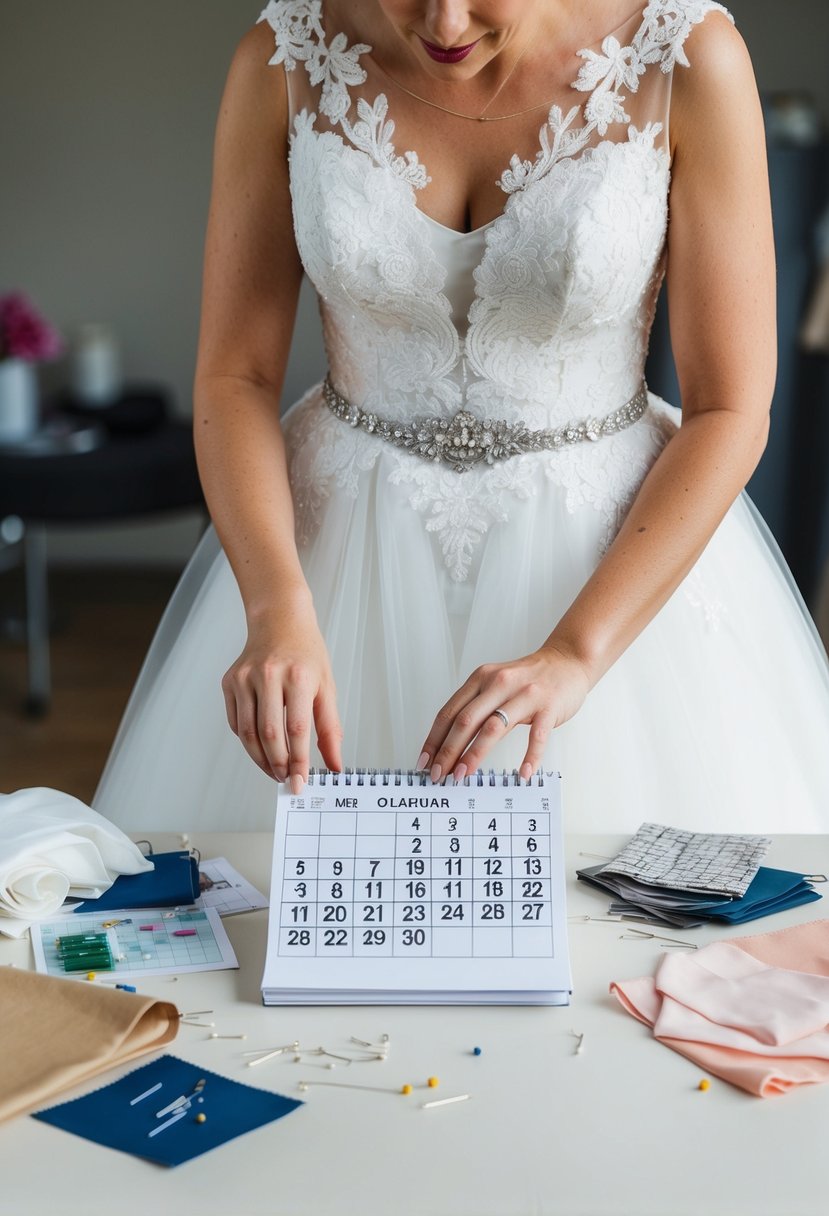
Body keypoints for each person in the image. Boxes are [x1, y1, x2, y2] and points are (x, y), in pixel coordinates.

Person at [94, 0, 829, 834]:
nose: (444, 22)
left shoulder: (685, 56)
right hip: (329, 556)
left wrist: (575, 654)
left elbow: (731, 406)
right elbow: (235, 375)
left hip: (607, 561)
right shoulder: (285, 55)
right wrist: (272, 607)